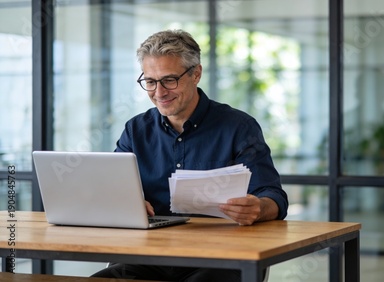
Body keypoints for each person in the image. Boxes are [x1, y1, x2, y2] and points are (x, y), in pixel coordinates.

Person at [91, 29, 288, 281]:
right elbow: (113, 186)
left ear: (196, 74)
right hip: (146, 257)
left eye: (169, 80)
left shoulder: (238, 127)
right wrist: (125, 202)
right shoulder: (136, 130)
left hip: (219, 258)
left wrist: (258, 208)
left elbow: (274, 196)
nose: (159, 93)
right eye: (150, 82)